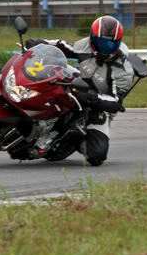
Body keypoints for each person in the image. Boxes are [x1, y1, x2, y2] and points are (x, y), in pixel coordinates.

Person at [25, 15, 134, 166]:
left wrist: (92, 98)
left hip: (99, 107)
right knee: (49, 80)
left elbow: (116, 102)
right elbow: (63, 46)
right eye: (101, 42)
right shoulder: (86, 46)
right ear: (92, 38)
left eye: (110, 44)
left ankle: (73, 141)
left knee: (97, 156)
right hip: (77, 85)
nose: (105, 48)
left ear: (118, 42)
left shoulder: (123, 69)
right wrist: (40, 43)